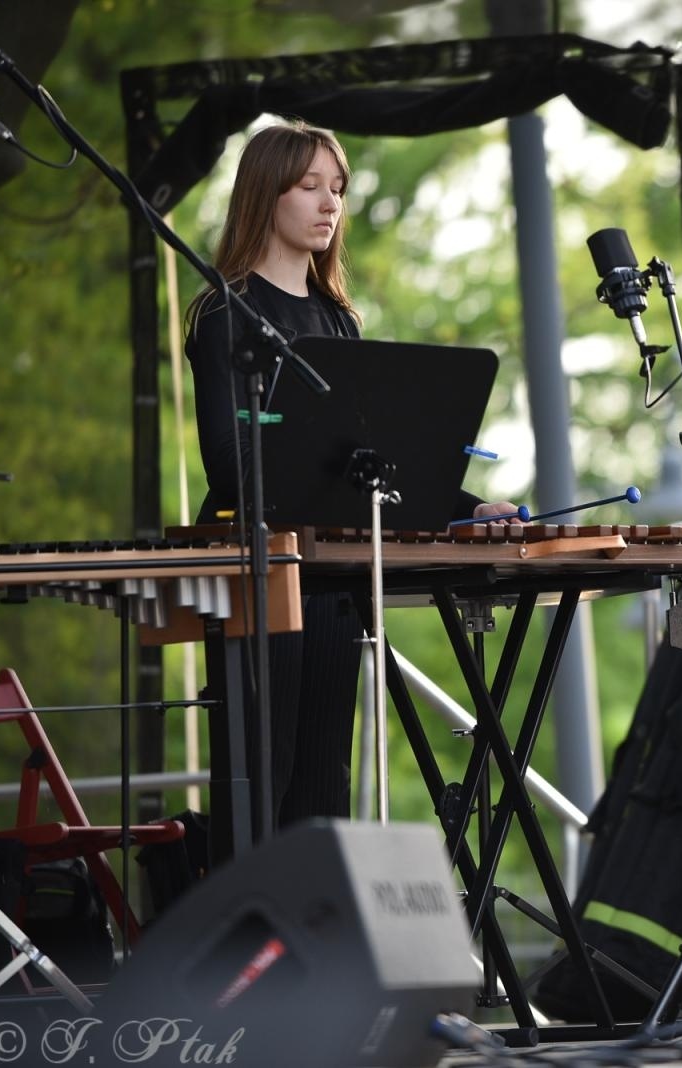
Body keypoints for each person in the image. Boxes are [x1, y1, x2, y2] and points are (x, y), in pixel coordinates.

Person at [186, 121, 513, 831]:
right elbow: (229, 463)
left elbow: (369, 461)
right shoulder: (225, 314)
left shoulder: (340, 322)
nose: (328, 204)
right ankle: (248, 936)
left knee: (324, 786)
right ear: (264, 195)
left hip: (335, 579)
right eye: (309, 187)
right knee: (259, 781)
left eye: (337, 189)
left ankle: (318, 934)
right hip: (261, 574)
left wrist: (466, 505)